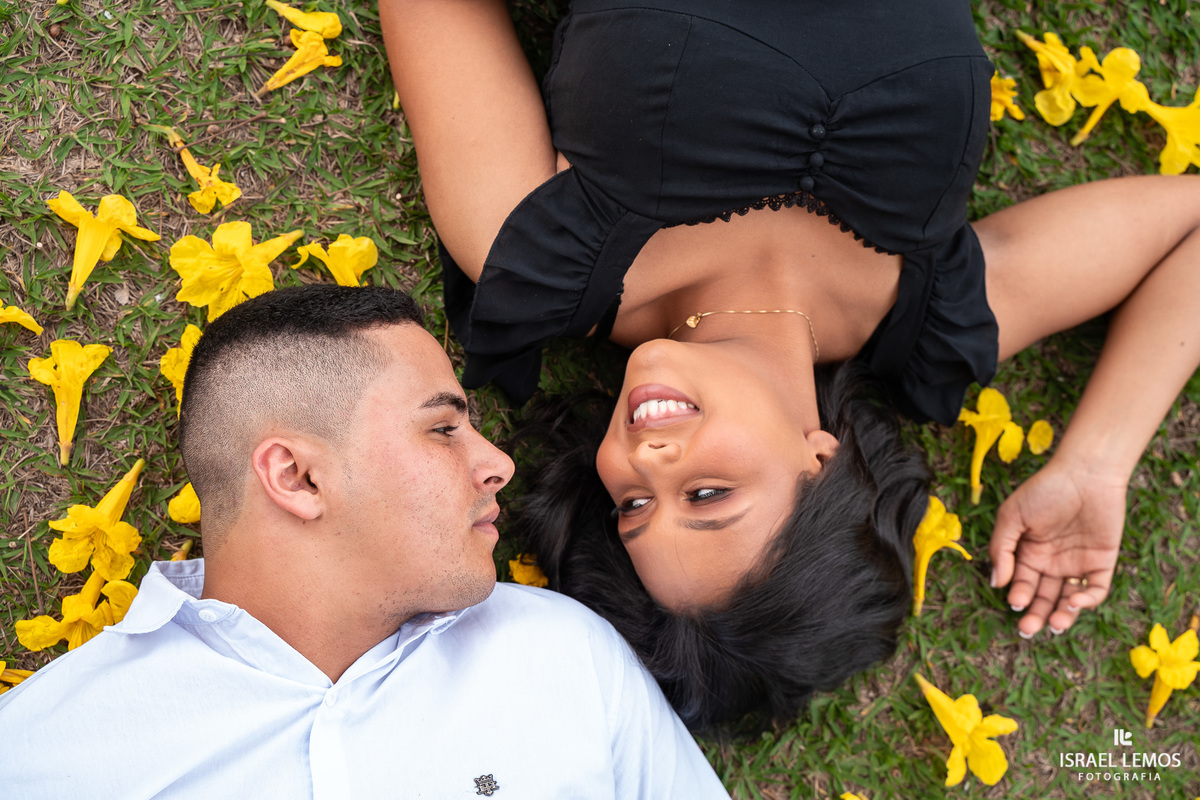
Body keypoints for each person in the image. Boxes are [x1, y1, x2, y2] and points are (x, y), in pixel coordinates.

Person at [381, 0, 1200, 727]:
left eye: (631, 504)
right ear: (823, 461)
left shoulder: (531, 251)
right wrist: (1096, 464)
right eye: (706, 495)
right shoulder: (932, 321)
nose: (647, 459)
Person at [0, 285, 730, 799]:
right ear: (300, 478)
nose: (498, 464)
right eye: (444, 428)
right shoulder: (46, 755)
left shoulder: (563, 655)